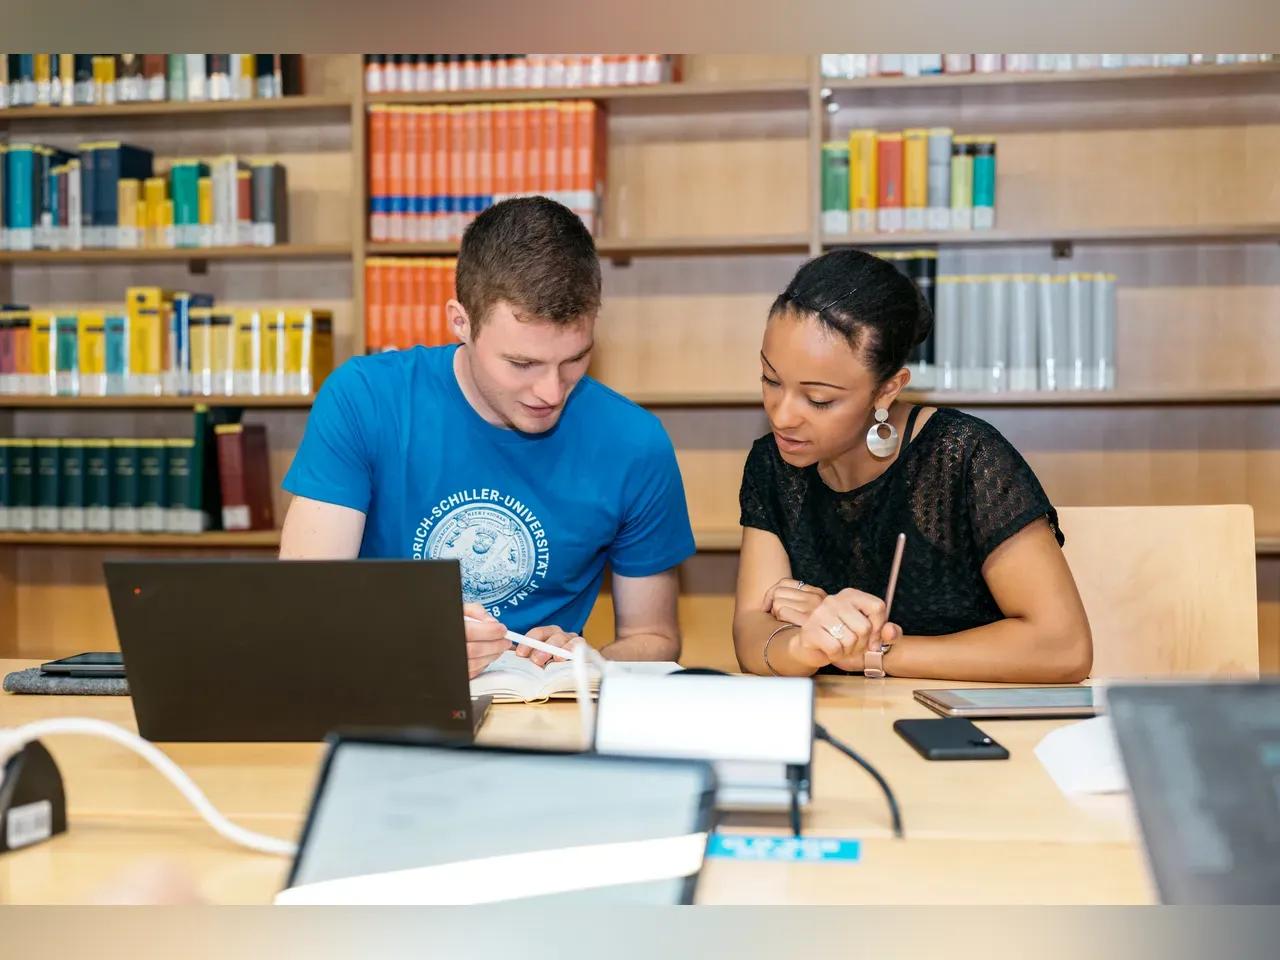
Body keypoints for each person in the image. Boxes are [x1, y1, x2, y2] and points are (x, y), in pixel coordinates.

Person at [280, 197, 695, 676]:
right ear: (461, 323)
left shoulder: (634, 442)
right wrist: (415, 639)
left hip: (546, 714)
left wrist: (591, 659)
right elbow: (303, 607)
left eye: (575, 359)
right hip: (383, 687)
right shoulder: (365, 398)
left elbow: (655, 638)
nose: (551, 391)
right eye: (522, 364)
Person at [733, 249, 1092, 682]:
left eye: (819, 399)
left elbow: (1064, 646)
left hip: (961, 726)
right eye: (771, 380)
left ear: (887, 391)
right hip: (838, 720)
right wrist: (804, 646)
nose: (782, 414)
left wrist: (870, 651)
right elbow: (752, 631)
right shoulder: (773, 464)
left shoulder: (963, 457)